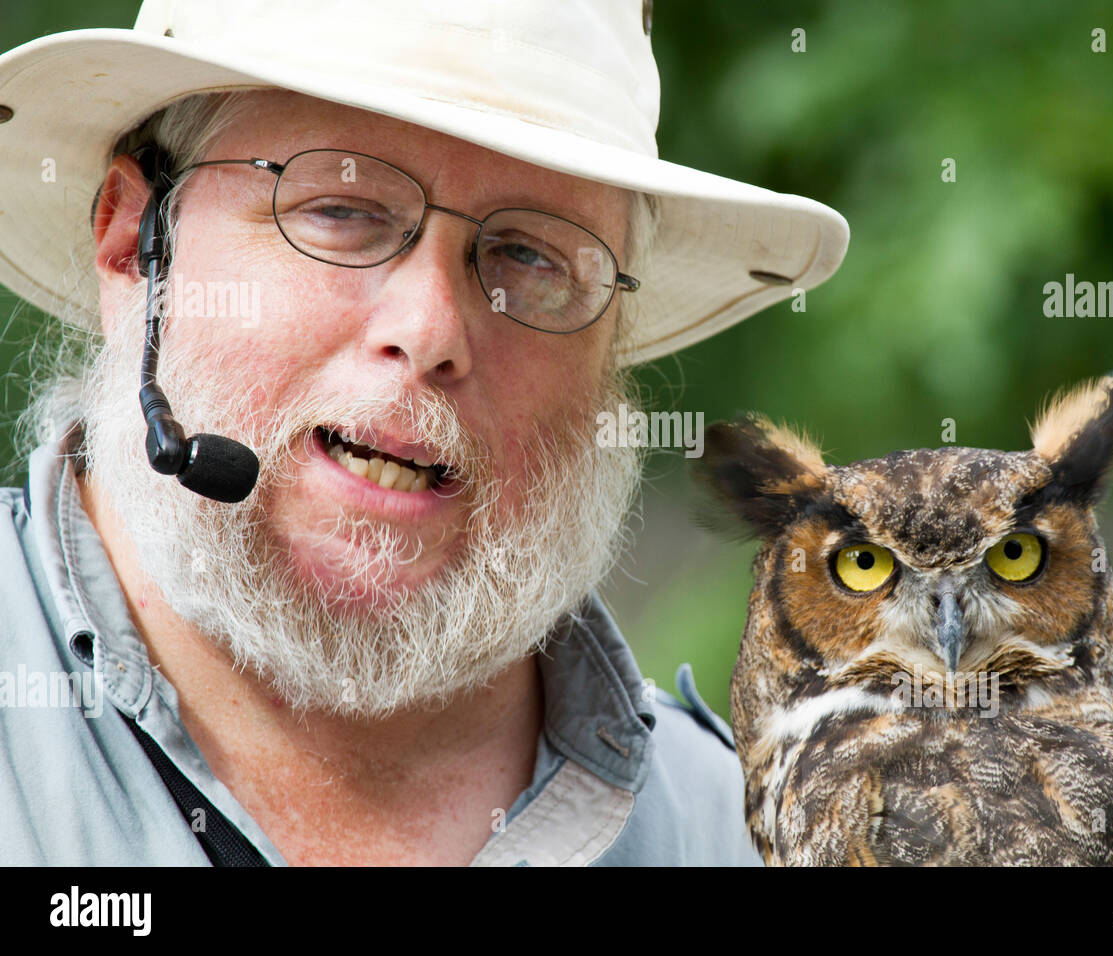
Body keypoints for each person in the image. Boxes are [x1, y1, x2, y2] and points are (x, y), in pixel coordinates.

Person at [0, 0, 848, 865]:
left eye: (532, 257)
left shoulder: (743, 840)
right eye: (341, 209)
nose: (433, 329)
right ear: (129, 247)